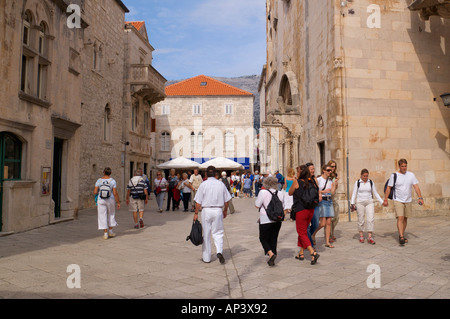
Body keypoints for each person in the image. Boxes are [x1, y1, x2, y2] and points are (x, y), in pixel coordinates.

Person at [194, 166, 232, 264]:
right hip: (218, 210)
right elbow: (227, 200)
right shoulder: (221, 184)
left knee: (206, 233)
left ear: (206, 174)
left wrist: (196, 213)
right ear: (216, 174)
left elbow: (198, 201)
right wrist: (225, 210)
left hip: (206, 210)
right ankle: (219, 251)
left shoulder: (203, 184)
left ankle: (206, 258)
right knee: (218, 232)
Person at [383, 159, 424, 245]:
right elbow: (389, 188)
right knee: (400, 218)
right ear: (399, 166)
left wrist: (420, 197)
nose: (404, 168)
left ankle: (401, 233)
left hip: (408, 200)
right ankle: (401, 236)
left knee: (405, 219)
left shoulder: (411, 175)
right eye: (402, 166)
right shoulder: (394, 175)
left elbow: (416, 187)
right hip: (398, 199)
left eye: (405, 166)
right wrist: (385, 199)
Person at [289, 166, 320, 265]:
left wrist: (294, 181)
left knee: (301, 232)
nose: (297, 173)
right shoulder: (311, 182)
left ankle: (312, 252)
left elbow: (290, 193)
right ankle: (301, 253)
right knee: (303, 231)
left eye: (298, 172)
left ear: (300, 173)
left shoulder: (297, 182)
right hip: (310, 209)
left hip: (301, 210)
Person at [255, 176, 285, 266]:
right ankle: (273, 256)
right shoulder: (280, 193)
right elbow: (283, 207)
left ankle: (271, 254)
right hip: (277, 219)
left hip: (265, 218)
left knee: (263, 238)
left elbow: (257, 205)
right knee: (274, 238)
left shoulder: (263, 192)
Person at [351, 169, 384, 244]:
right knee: (361, 219)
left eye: (366, 176)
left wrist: (382, 202)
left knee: (370, 219)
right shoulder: (357, 183)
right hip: (360, 202)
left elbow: (375, 193)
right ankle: (361, 236)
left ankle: (370, 236)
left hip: (369, 202)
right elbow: (354, 194)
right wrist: (352, 203)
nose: (365, 177)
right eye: (364, 176)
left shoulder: (371, 182)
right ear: (361, 175)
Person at [312, 164, 338, 248]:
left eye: (331, 170)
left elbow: (332, 193)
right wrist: (323, 192)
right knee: (322, 223)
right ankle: (313, 234)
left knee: (329, 222)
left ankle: (327, 241)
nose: (330, 172)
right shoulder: (318, 180)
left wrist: (334, 185)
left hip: (329, 201)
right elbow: (315, 191)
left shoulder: (330, 181)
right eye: (328, 170)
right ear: (324, 170)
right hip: (322, 201)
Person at [94, 167, 120, 239]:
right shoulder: (112, 181)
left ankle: (105, 233)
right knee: (111, 214)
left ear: (103, 172)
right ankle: (110, 231)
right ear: (110, 173)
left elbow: (95, 192)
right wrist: (118, 202)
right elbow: (115, 193)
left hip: (101, 199)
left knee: (102, 215)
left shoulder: (99, 181)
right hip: (110, 199)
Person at [306, 162, 319, 247]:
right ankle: (310, 245)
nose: (313, 170)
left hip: (315, 204)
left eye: (313, 169)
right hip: (306, 205)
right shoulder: (303, 179)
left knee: (316, 224)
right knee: (306, 226)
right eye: (311, 169)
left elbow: (317, 190)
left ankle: (306, 238)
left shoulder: (315, 179)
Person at [327, 160, 339, 243]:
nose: (333, 168)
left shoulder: (336, 175)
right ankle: (329, 235)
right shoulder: (327, 176)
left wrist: (336, 184)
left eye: (334, 166)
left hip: (334, 197)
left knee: (336, 218)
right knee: (330, 218)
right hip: (328, 197)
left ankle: (332, 232)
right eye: (332, 166)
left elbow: (336, 188)